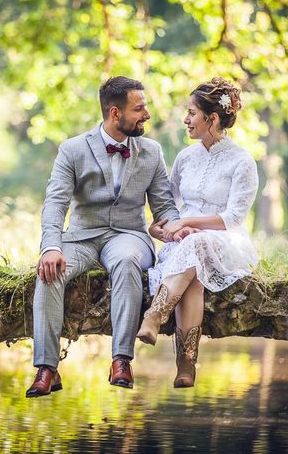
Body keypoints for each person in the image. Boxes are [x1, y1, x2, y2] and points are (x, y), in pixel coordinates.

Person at [26, 76, 180, 397]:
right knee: (49, 273)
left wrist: (177, 232)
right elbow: (56, 203)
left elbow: (164, 207)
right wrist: (51, 247)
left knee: (126, 261)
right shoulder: (72, 149)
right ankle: (47, 367)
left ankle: (121, 359)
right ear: (114, 113)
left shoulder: (151, 151)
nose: (147, 114)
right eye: (139, 108)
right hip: (81, 238)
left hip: (129, 236)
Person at [136, 77, 259, 388]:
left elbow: (232, 218)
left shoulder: (242, 161)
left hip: (225, 242)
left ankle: (155, 315)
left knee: (199, 242)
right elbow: (170, 206)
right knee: (193, 275)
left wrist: (190, 225)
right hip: (185, 246)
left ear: (212, 119)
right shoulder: (185, 158)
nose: (186, 119)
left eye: (192, 113)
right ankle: (186, 362)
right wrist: (162, 226)